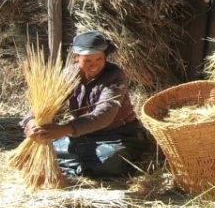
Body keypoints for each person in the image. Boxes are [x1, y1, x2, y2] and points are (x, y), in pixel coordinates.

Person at [22, 31, 148, 178]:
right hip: (83, 136)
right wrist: (32, 122)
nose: (94, 66)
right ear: (76, 58)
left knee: (109, 158)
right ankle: (81, 166)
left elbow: (104, 115)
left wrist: (66, 129)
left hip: (118, 135)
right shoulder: (69, 75)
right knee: (37, 151)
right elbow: (46, 104)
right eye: (87, 61)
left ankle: (73, 167)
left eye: (99, 59)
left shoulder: (114, 76)